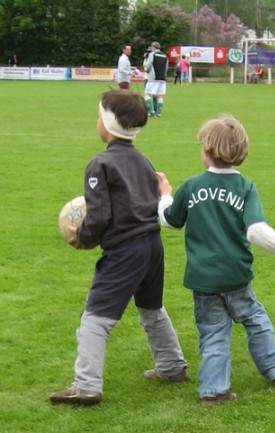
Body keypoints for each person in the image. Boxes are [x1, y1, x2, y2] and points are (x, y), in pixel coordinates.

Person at [49, 90, 188, 406]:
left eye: (98, 116)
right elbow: (149, 202)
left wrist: (82, 236)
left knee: (95, 318)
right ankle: (172, 367)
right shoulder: (143, 159)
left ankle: (86, 385)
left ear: (108, 124)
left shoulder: (100, 164)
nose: (96, 121)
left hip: (125, 251)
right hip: (152, 245)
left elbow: (98, 216)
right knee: (152, 309)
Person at [156, 115, 275, 407]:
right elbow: (256, 230)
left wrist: (166, 196)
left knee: (213, 332)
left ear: (206, 151)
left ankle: (214, 390)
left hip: (203, 279)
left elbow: (169, 221)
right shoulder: (245, 188)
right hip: (236, 276)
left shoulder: (193, 186)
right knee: (255, 320)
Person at [144, 41, 168, 117]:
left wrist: (146, 71)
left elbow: (148, 66)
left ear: (153, 47)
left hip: (153, 78)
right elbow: (166, 68)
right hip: (162, 79)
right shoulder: (165, 55)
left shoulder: (152, 54)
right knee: (160, 96)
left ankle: (151, 111)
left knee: (147, 94)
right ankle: (159, 113)